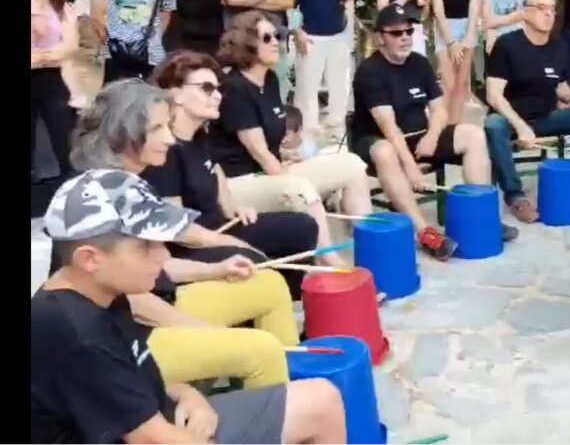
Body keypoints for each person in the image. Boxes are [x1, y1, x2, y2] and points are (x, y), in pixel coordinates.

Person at [32, 169, 348, 444]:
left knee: (322, 399)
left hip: (162, 420)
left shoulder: (103, 293)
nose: (162, 255)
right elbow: (147, 437)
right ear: (90, 258)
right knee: (322, 404)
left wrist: (188, 394)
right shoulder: (76, 332)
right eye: (146, 246)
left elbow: (130, 385)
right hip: (155, 434)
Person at [69, 80, 303, 390]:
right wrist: (204, 330)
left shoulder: (128, 182)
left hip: (156, 306)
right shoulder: (98, 196)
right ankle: (277, 415)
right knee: (261, 349)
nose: (170, 138)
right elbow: (131, 302)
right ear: (122, 133)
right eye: (158, 129)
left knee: (269, 284)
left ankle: (294, 393)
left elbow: (157, 264)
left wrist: (215, 269)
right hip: (122, 340)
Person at [144, 50, 321, 296]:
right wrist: (233, 243)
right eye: (206, 88)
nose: (217, 96)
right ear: (176, 94)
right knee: (251, 257)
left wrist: (234, 208)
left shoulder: (199, 135)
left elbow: (215, 171)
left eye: (218, 89)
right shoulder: (164, 150)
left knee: (302, 226)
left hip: (219, 228)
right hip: (189, 246)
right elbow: (178, 230)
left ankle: (289, 303)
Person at [209, 10, 373, 268]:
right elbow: (259, 151)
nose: (276, 41)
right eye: (267, 38)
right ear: (246, 44)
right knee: (301, 189)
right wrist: (289, 172)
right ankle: (331, 263)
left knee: (353, 165)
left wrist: (290, 156)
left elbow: (272, 147)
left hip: (268, 171)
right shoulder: (234, 88)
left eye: (277, 35)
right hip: (239, 183)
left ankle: (371, 246)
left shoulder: (270, 79)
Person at [352, 4, 517, 260]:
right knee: (385, 151)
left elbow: (439, 110)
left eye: (409, 30)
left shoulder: (419, 63)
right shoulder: (370, 71)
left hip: (418, 135)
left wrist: (432, 136)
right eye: (396, 33)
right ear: (379, 38)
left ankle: (481, 216)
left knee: (473, 135)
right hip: (378, 139)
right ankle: (424, 232)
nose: (405, 36)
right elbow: (389, 127)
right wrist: (411, 168)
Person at [484, 0, 570, 222]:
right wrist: (519, 126)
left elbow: (558, 84)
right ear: (526, 12)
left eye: (552, 9)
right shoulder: (507, 45)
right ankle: (516, 196)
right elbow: (493, 95)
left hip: (545, 118)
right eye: (541, 8)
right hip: (511, 119)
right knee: (493, 124)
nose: (548, 14)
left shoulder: (559, 46)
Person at [291, 0, 355, 143]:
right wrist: (295, 29)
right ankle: (306, 137)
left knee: (340, 88)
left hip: (337, 33)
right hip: (310, 34)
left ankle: (337, 135)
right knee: (307, 89)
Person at [30, 0, 80, 181]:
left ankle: (71, 185)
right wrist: (52, 53)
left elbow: (70, 48)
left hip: (53, 79)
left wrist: (39, 58)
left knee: (66, 137)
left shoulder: (62, 7)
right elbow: (60, 50)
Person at [428, 0, 483, 125]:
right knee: (449, 84)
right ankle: (444, 126)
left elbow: (474, 4)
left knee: (462, 84)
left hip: (467, 26)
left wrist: (469, 36)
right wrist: (451, 41)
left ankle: (457, 126)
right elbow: (438, 8)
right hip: (446, 28)